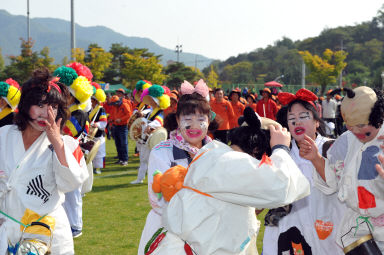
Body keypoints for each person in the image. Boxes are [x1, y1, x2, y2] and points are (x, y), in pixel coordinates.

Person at [143, 107, 311, 254]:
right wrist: (280, 148)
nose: (262, 166)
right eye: (266, 160)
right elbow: (282, 187)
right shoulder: (231, 163)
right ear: (257, 149)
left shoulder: (218, 157)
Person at [0, 68, 88, 254]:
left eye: (53, 107)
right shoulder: (4, 135)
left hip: (48, 232)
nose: (46, 113)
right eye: (40, 105)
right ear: (25, 105)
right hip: (8, 228)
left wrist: (57, 142)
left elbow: (72, 182)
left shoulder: (67, 144)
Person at [300, 86, 384, 252]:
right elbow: (333, 181)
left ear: (378, 118)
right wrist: (316, 159)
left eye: (361, 126)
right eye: (351, 126)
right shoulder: (347, 140)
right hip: (359, 232)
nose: (356, 131)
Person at [262, 88, 346, 255]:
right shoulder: (282, 154)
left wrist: (316, 158)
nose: (297, 122)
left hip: (328, 225)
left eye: (303, 117)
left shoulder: (333, 147)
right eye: (291, 119)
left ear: (316, 122)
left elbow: (340, 185)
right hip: (290, 227)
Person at [137, 81, 215, 254]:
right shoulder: (162, 152)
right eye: (188, 119)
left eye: (201, 119)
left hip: (208, 231)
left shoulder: (216, 152)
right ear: (178, 119)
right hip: (167, 231)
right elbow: (157, 199)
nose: (194, 125)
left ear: (209, 121)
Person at [53, 63, 94, 238]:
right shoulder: (71, 112)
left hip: (73, 156)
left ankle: (75, 225)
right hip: (68, 155)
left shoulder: (77, 114)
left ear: (72, 95)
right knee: (66, 192)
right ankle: (68, 224)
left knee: (73, 194)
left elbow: (67, 133)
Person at [130, 84, 170, 184]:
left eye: (152, 100)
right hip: (145, 139)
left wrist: (150, 125)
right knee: (143, 159)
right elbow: (143, 114)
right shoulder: (149, 111)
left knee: (155, 160)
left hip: (154, 140)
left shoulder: (160, 112)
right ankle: (140, 179)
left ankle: (157, 179)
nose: (150, 102)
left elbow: (159, 121)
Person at [89, 82, 107, 174]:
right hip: (89, 134)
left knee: (99, 151)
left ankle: (98, 168)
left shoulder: (101, 109)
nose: (90, 101)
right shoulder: (88, 109)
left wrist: (97, 124)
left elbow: (104, 122)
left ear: (95, 100)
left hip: (99, 133)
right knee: (90, 150)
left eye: (91, 99)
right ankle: (90, 166)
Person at [110, 93, 132, 166]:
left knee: (123, 143)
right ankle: (120, 159)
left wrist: (121, 119)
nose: (113, 105)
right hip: (116, 126)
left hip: (123, 126)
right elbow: (113, 114)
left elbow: (129, 114)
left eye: (114, 104)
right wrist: (111, 120)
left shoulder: (124, 105)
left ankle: (125, 160)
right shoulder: (114, 106)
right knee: (118, 143)